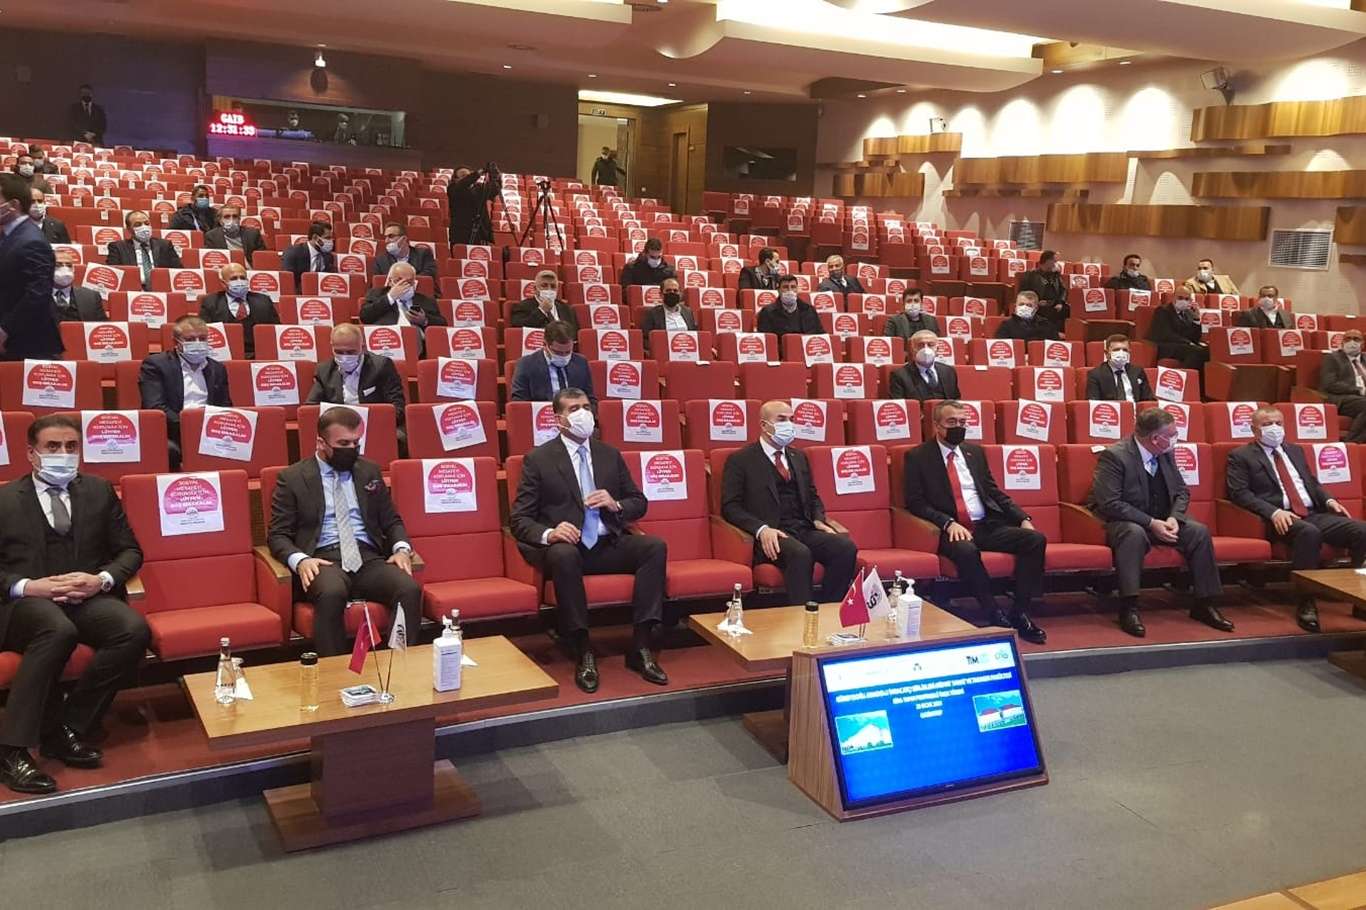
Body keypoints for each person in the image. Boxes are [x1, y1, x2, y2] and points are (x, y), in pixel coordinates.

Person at [0, 415, 149, 795]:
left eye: (71, 447)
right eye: (53, 447)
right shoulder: (4, 499)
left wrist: (101, 580)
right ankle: (11, 749)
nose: (63, 454)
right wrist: (28, 586)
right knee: (56, 629)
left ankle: (68, 727)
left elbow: (130, 551)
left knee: (132, 630)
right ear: (30, 453)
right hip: (22, 604)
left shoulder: (98, 490)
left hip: (84, 597)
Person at [509, 388, 668, 692]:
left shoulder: (609, 454)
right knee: (564, 554)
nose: (583, 413)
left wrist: (615, 504)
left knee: (654, 547)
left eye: (585, 407)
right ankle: (582, 649)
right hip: (568, 548)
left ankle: (641, 647)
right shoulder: (539, 459)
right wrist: (550, 533)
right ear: (558, 419)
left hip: (608, 543)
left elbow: (639, 502)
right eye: (573, 409)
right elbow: (519, 519)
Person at [267, 406, 420, 657]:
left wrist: (402, 549)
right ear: (321, 443)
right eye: (343, 443)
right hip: (322, 559)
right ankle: (334, 670)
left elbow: (391, 520)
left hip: (367, 557)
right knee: (332, 593)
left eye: (355, 442)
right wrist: (301, 561)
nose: (351, 449)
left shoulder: (369, 471)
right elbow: (277, 535)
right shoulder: (293, 478)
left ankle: (399, 663)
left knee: (408, 589)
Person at [904, 401, 1047, 643]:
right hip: (949, 529)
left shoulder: (975, 453)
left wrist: (1022, 517)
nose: (958, 427)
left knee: (1035, 539)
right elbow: (915, 502)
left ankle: (1020, 612)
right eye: (951, 422)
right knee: (966, 550)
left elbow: (994, 491)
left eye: (962, 422)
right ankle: (993, 612)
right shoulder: (918, 457)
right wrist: (947, 522)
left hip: (985, 525)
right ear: (936, 425)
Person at [1089, 407, 1232, 638]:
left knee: (1198, 532)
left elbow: (1182, 492)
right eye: (1172, 434)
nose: (1176, 438)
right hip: (1124, 521)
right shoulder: (1115, 456)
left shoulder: (1165, 453)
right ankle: (1129, 607)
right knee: (1133, 533)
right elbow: (1110, 503)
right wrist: (1151, 522)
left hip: (1163, 519)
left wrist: (1174, 517)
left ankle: (1204, 604)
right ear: (1156, 438)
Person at [1226, 407, 1366, 633]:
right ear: (1254, 430)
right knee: (1308, 533)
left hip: (1312, 513)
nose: (1274, 428)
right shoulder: (1240, 456)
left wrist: (1329, 500)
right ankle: (1306, 601)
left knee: (1361, 531)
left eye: (1278, 423)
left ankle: (1360, 598)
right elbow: (1239, 494)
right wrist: (1273, 512)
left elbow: (1311, 482)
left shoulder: (1295, 451)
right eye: (1267, 424)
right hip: (1277, 518)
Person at [721, 400, 858, 606]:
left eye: (791, 419)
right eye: (782, 419)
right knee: (800, 554)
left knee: (845, 548)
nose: (789, 424)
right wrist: (761, 529)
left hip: (802, 528)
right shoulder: (741, 460)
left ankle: (830, 608)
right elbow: (730, 507)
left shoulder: (799, 456)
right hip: (771, 534)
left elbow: (812, 495)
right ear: (764, 425)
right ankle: (803, 615)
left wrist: (818, 519)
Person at [138, 315, 231, 470]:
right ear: (176, 343)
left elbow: (225, 404)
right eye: (190, 339)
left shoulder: (217, 368)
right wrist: (190, 426)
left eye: (202, 338)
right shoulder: (155, 365)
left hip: (209, 432)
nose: (198, 343)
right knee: (169, 451)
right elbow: (155, 406)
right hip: (172, 431)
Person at [306, 323, 408, 434]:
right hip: (339, 431)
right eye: (339, 352)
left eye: (350, 352)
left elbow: (398, 408)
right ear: (332, 347)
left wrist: (374, 426)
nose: (344, 357)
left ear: (362, 347)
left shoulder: (381, 366)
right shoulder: (324, 370)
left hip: (376, 426)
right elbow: (311, 408)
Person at [0, 174, 60, 361]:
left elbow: (38, 293)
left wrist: (4, 330)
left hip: (25, 344)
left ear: (13, 205)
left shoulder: (32, 241)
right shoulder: (9, 233)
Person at [360, 262, 446, 357]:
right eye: (399, 281)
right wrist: (390, 297)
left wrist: (424, 320)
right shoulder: (377, 294)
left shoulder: (425, 300)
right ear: (390, 281)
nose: (404, 285)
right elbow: (365, 317)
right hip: (387, 342)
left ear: (414, 282)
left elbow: (442, 324)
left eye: (409, 282)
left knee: (414, 332)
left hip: (418, 346)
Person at [198, 263, 279, 358]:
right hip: (226, 355)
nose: (239, 281)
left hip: (259, 353)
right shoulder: (210, 302)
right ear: (223, 283)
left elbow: (275, 331)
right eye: (234, 279)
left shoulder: (264, 301)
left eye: (243, 278)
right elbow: (205, 333)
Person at [509, 320, 596, 404]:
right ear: (544, 344)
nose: (563, 356)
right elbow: (519, 403)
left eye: (568, 352)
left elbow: (590, 399)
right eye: (558, 352)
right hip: (543, 412)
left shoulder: (581, 363)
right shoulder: (526, 365)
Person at [106, 210, 181, 290]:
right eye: (138, 225)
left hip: (161, 290)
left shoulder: (165, 245)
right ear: (129, 229)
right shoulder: (117, 247)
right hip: (132, 291)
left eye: (147, 223)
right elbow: (113, 276)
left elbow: (178, 272)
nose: (144, 227)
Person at [1319, 329, 1366, 443]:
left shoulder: (1364, 359)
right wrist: (1359, 390)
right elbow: (1329, 384)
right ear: (1342, 342)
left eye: (1356, 339)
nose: (1352, 342)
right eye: (1348, 339)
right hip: (1342, 398)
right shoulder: (1333, 358)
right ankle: (1351, 443)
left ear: (1363, 343)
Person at [1147, 288, 1209, 372]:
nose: (1183, 301)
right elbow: (1167, 334)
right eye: (1180, 298)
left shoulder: (1188, 313)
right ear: (1173, 297)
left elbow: (1195, 338)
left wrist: (1196, 319)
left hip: (1183, 345)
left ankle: (1199, 379)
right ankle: (1185, 376)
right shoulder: (1163, 310)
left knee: (1207, 351)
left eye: (1186, 299)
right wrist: (1188, 343)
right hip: (1166, 346)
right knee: (1196, 351)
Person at [889, 330, 959, 401]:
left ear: (937, 349)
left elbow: (956, 401)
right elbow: (901, 404)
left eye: (930, 345)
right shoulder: (900, 375)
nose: (926, 349)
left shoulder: (949, 372)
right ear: (912, 349)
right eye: (920, 345)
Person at [1085, 334, 1155, 402]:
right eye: (1116, 350)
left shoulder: (1138, 372)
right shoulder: (1096, 374)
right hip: (1111, 409)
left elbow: (1148, 400)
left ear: (1129, 352)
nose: (1121, 353)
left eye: (1125, 350)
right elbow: (1093, 402)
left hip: (1135, 408)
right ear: (1106, 353)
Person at [756, 273, 821, 340]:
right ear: (779, 290)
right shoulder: (767, 312)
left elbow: (820, 335)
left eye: (793, 287)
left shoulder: (809, 311)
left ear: (797, 289)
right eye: (785, 287)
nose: (790, 290)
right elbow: (767, 341)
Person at [509, 269, 577, 329]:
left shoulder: (566, 309)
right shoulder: (522, 306)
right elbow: (519, 328)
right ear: (535, 289)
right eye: (544, 286)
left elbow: (574, 332)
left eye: (553, 286)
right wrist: (541, 311)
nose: (549, 289)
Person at [51, 249, 107, 322]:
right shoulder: (36, 297)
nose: (65, 269)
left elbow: (101, 327)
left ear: (73, 269)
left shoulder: (92, 297)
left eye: (69, 265)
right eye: (58, 265)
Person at [1018, 249, 1068, 326]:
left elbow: (1063, 290)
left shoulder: (1055, 275)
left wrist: (1060, 303)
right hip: (1038, 305)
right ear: (1047, 261)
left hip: (1054, 305)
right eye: (1054, 261)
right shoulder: (1031, 275)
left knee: (1067, 310)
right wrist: (1036, 302)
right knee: (1045, 314)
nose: (1056, 264)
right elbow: (1023, 293)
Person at [281, 221, 334, 292]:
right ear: (315, 237)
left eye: (331, 238)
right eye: (327, 238)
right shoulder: (293, 253)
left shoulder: (328, 257)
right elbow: (288, 282)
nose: (331, 241)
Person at [994, 291, 1059, 342]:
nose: (1024, 307)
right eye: (1021, 304)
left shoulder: (1047, 325)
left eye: (1029, 305)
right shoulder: (1006, 325)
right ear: (1015, 306)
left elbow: (1054, 347)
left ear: (1036, 308)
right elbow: (1002, 347)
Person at [446, 166, 481, 246]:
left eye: (468, 175)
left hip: (476, 232)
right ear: (455, 179)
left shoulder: (477, 188)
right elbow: (463, 184)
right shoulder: (452, 188)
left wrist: (496, 177)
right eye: (463, 176)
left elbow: (493, 191)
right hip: (459, 232)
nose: (467, 178)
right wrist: (477, 173)